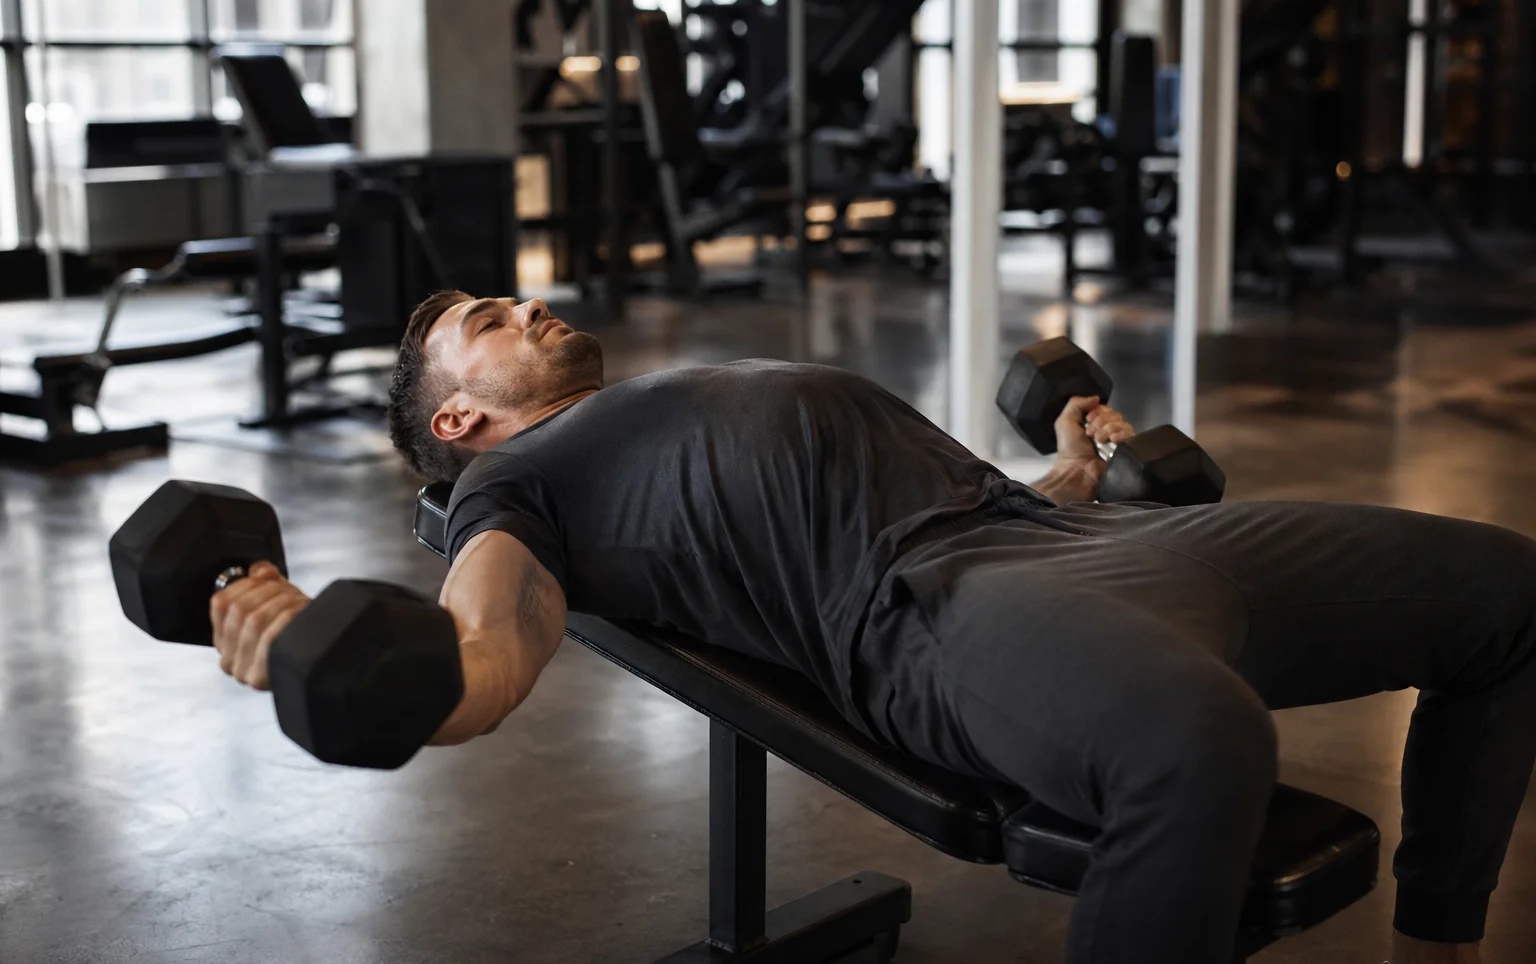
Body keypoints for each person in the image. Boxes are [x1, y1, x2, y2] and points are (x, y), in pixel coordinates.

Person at [210, 291, 1536, 964]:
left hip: (1078, 540)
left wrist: (1073, 466)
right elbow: (490, 657)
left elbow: (957, 493)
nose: (527, 309)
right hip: (940, 611)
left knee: (1508, 596)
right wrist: (313, 643)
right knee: (1197, 746)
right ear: (458, 424)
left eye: (510, 297)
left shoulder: (685, 389)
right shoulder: (513, 489)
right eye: (487, 327)